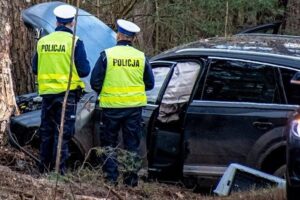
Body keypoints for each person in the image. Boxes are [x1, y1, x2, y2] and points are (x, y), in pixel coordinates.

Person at [90, 19, 154, 186]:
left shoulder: (107, 55)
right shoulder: (141, 57)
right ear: (132, 38)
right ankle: (130, 182)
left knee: (109, 145)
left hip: (111, 108)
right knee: (131, 145)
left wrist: (106, 91)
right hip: (134, 108)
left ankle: (111, 180)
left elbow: (95, 82)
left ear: (118, 35)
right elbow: (150, 83)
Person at [32, 4, 90, 174]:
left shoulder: (43, 42)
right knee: (63, 134)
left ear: (56, 21)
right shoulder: (75, 42)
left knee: (47, 132)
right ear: (72, 22)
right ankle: (59, 172)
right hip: (67, 96)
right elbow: (84, 70)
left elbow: (35, 68)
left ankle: (43, 169)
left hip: (47, 95)